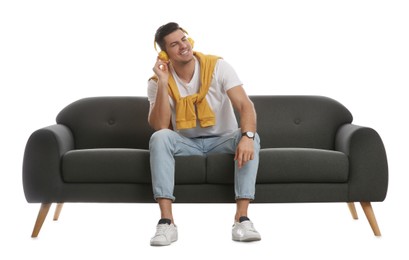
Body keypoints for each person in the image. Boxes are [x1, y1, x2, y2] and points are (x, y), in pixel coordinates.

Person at [147, 22, 261, 246]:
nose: (183, 46)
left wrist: (246, 137)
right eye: (174, 44)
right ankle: (167, 223)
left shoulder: (217, 66)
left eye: (184, 39)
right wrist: (162, 82)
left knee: (251, 136)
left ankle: (242, 219)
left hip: (222, 140)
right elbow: (161, 126)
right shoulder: (156, 82)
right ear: (164, 53)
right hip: (185, 142)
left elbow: (245, 106)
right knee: (159, 138)